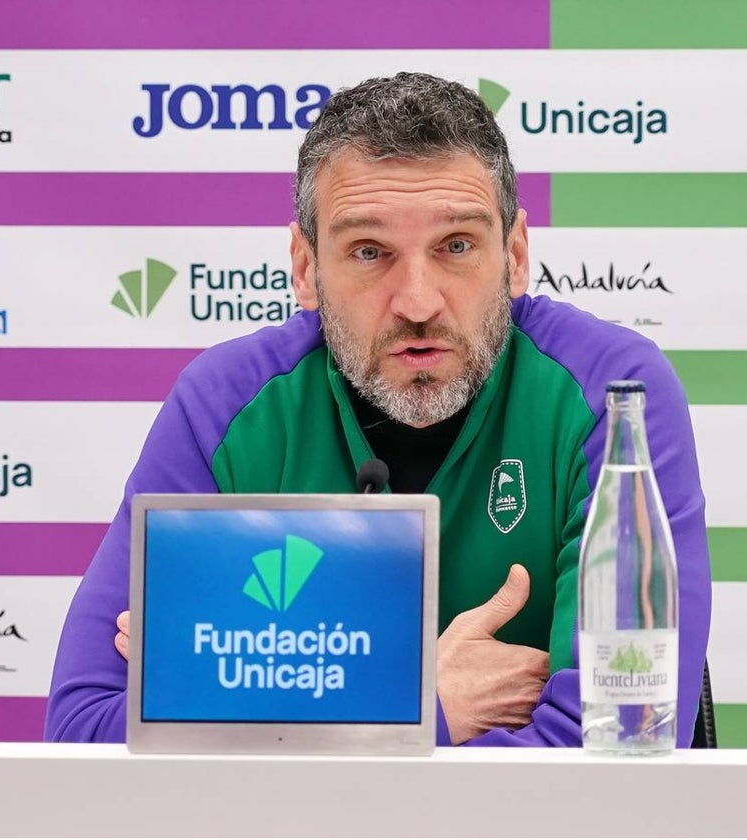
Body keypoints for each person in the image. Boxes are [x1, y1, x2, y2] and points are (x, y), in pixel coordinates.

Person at [45, 72, 711, 747]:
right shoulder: (224, 406)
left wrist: (255, 692)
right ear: (306, 268)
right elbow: (84, 737)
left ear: (514, 256)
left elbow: (620, 747)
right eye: (370, 252)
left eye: (456, 246)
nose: (418, 301)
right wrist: (419, 704)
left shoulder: (614, 396)